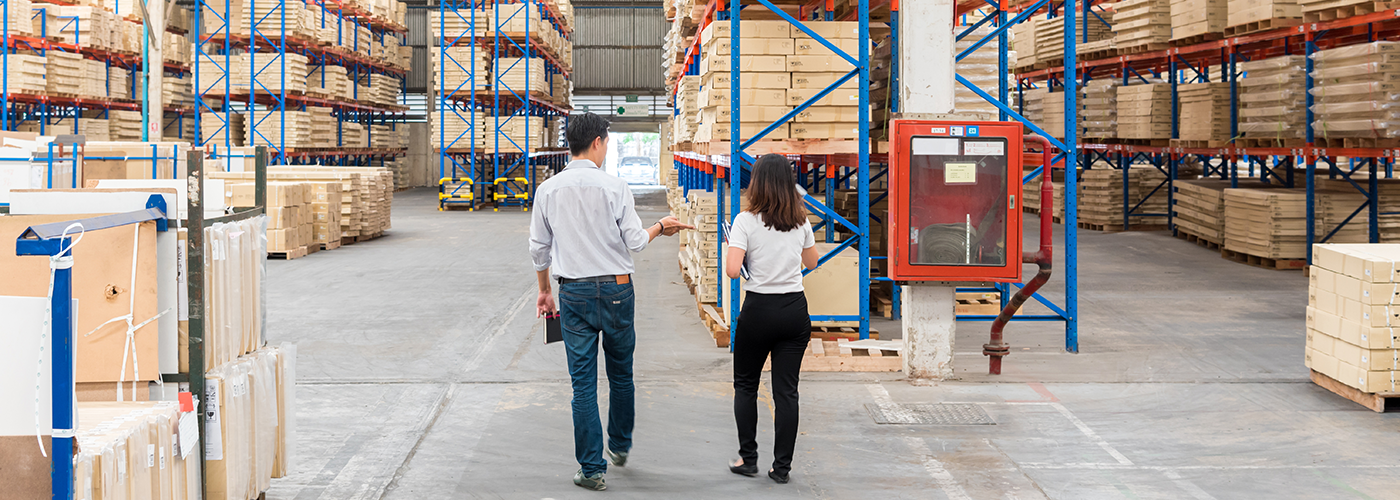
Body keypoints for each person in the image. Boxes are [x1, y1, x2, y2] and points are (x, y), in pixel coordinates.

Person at [529, 112, 693, 491]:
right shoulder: (615, 187)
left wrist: (544, 290)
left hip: (573, 293)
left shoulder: (548, 190)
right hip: (618, 291)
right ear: (599, 142)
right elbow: (636, 241)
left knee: (582, 384)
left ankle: (591, 469)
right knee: (621, 374)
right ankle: (618, 447)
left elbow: (539, 249)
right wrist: (661, 227)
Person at [724, 153, 820, 484]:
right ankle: (782, 469)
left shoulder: (745, 221)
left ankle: (747, 459)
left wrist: (744, 252)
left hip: (758, 312)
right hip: (794, 312)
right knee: (786, 392)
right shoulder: (801, 220)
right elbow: (812, 263)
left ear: (757, 184)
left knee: (746, 385)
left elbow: (733, 270)